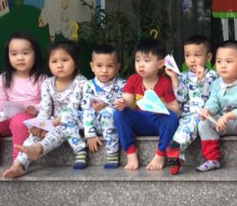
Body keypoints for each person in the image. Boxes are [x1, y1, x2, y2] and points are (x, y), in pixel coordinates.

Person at [3, 40, 87, 178]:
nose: (59, 65)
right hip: (53, 121)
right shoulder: (47, 83)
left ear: (76, 62)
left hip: (75, 120)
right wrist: (39, 125)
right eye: (54, 61)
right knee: (34, 135)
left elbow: (71, 109)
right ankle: (19, 165)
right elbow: (45, 110)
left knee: (62, 127)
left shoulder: (81, 82)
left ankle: (38, 149)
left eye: (65, 60)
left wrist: (49, 126)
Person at [0, 32, 46, 172]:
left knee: (18, 121)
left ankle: (18, 161)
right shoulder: (5, 77)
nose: (20, 58)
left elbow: (47, 102)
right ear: (8, 57)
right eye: (14, 54)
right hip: (9, 117)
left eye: (25, 53)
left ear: (35, 54)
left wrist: (36, 108)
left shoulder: (41, 78)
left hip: (31, 120)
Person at [113, 38, 180, 171]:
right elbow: (129, 100)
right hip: (140, 120)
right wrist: (123, 102)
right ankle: (131, 152)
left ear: (160, 64)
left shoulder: (164, 82)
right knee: (119, 114)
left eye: (147, 61)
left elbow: (175, 107)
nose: (141, 65)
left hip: (157, 121)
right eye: (138, 60)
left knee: (172, 117)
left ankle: (160, 154)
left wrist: (162, 107)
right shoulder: (133, 79)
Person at [197, 40, 237, 174]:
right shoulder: (216, 83)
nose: (223, 66)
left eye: (229, 61)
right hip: (221, 124)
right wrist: (207, 110)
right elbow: (213, 102)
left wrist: (229, 115)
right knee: (203, 123)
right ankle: (212, 159)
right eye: (219, 62)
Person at [169, 35, 218, 173]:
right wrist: (174, 78)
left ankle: (176, 148)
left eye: (197, 55)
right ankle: (177, 155)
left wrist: (202, 80)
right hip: (186, 115)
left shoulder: (213, 75)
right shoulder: (183, 76)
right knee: (183, 127)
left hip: (204, 114)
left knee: (188, 127)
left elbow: (210, 97)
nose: (192, 60)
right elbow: (181, 97)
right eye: (187, 55)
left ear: (208, 57)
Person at [77, 44, 125, 170]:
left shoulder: (123, 84)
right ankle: (80, 149)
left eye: (109, 66)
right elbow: (86, 109)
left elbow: (123, 106)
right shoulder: (88, 85)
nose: (104, 70)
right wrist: (90, 134)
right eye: (99, 66)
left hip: (110, 123)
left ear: (118, 67)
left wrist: (107, 105)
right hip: (91, 122)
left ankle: (112, 153)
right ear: (92, 67)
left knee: (108, 112)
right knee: (67, 113)